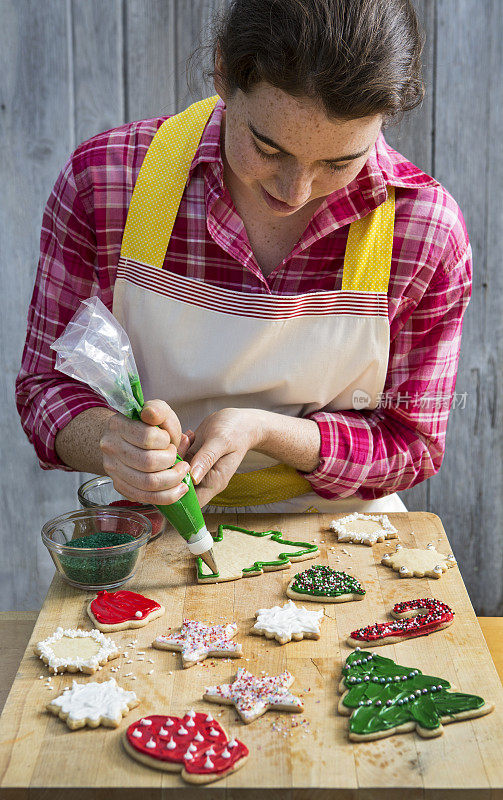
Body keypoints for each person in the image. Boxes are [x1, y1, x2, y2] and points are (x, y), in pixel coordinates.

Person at [16, 0, 471, 517]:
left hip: (342, 532)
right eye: (269, 148)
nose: (295, 191)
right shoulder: (107, 181)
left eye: (339, 162)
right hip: (152, 524)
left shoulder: (423, 229)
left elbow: (413, 442)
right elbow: (45, 390)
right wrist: (115, 443)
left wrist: (268, 431)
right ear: (223, 71)